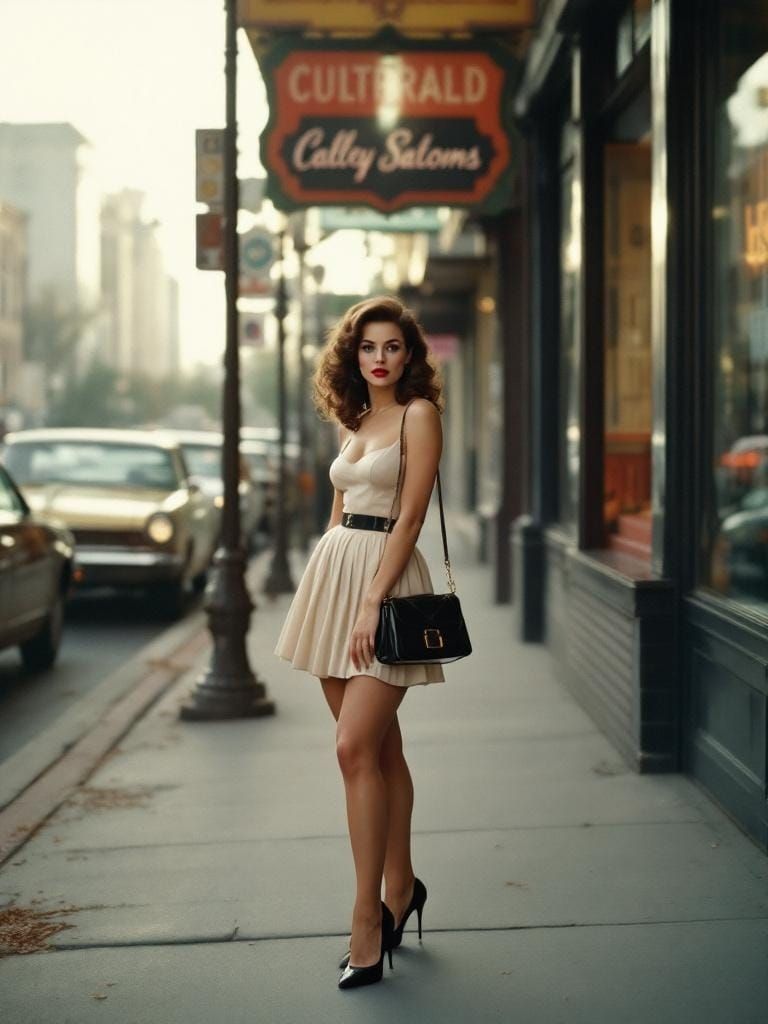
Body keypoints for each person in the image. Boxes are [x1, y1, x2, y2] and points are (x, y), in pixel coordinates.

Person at [274, 295, 444, 990]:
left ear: (409, 355)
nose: (380, 358)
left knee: (351, 748)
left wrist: (371, 598)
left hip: (387, 584)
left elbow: (408, 519)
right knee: (378, 749)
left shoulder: (418, 416)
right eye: (369, 347)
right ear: (355, 354)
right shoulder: (358, 417)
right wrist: (328, 570)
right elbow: (340, 505)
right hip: (336, 576)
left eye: (392, 348)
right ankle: (402, 888)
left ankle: (367, 920)